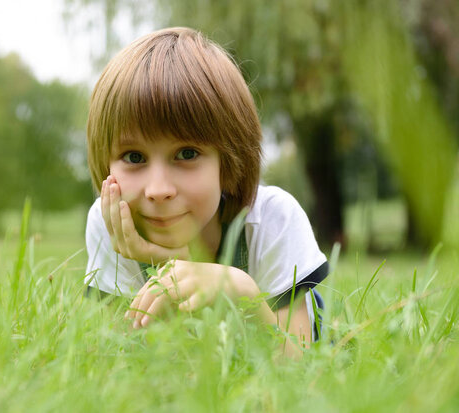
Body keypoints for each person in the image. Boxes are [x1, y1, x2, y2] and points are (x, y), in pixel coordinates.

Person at [84, 27, 328, 352]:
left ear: (227, 163)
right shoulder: (110, 223)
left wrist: (240, 291)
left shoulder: (273, 220)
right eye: (134, 157)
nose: (158, 190)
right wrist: (168, 263)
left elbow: (298, 367)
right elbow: (122, 364)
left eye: (186, 154)